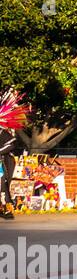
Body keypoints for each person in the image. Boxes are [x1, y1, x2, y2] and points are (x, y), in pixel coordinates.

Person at [0, 89, 28, 221]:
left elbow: (10, 145)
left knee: (2, 185)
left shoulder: (3, 133)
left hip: (4, 162)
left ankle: (5, 208)